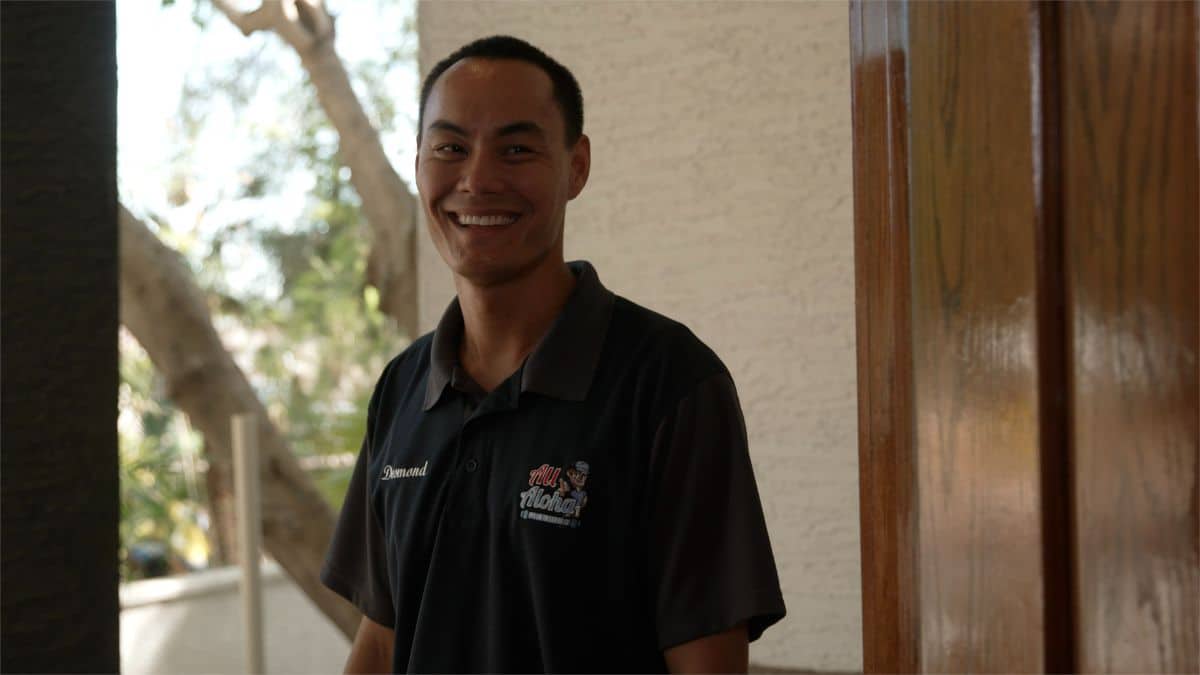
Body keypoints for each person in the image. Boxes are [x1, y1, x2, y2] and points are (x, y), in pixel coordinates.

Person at [321, 35, 785, 674]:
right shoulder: (402, 389)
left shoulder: (670, 383)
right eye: (450, 148)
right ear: (419, 164)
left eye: (516, 149)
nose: (477, 179)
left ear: (577, 166)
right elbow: (381, 641)